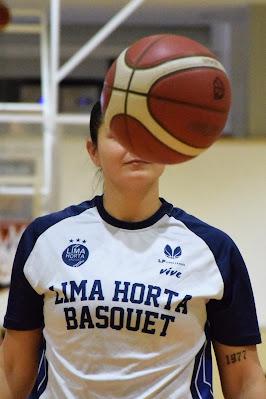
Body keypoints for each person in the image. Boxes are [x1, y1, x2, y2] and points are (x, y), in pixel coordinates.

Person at [0, 101, 266, 399]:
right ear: (93, 152)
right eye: (119, 134)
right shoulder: (44, 238)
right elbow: (12, 369)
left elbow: (245, 380)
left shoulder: (214, 250)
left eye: (147, 134)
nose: (136, 145)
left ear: (167, 150)